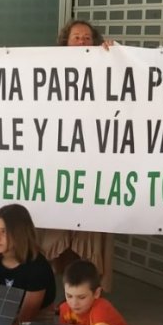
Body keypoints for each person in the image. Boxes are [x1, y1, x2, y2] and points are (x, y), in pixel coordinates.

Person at [39, 19, 117, 290]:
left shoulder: (108, 67)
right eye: (76, 37)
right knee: (58, 234)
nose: (82, 42)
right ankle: (64, 298)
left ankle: (88, 299)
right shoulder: (50, 70)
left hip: (92, 167)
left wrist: (115, 56)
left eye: (87, 38)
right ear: (65, 42)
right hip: (59, 166)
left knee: (89, 236)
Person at [0, 203, 57, 325]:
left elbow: (25, 318)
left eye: (3, 231)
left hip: (33, 323)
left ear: (19, 233)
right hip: (1, 318)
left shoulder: (38, 267)